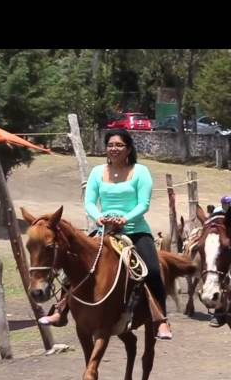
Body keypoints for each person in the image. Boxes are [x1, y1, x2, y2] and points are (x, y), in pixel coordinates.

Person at [40, 129, 173, 340]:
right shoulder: (97, 172)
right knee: (73, 263)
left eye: (119, 145)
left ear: (128, 148)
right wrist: (99, 218)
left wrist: (125, 219)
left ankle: (161, 320)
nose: (114, 149)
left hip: (135, 230)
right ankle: (60, 309)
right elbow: (90, 202)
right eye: (111, 145)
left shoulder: (140, 171)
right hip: (103, 231)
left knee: (153, 270)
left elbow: (144, 204)